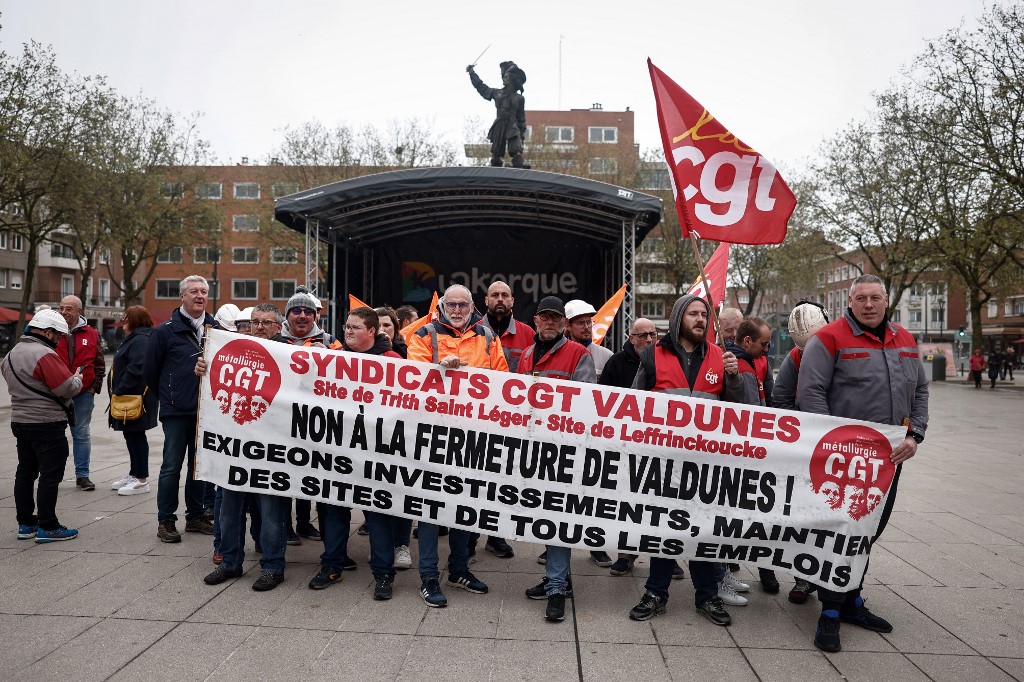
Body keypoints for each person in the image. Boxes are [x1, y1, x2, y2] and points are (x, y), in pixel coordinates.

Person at [798, 274, 929, 653]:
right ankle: (831, 611)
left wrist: (914, 434)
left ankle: (851, 598)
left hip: (889, 458)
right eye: (861, 299)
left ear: (885, 301)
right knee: (841, 530)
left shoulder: (905, 339)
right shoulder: (829, 339)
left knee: (871, 530)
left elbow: (920, 389)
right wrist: (828, 445)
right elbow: (811, 393)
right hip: (843, 460)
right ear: (849, 303)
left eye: (875, 298)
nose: (868, 304)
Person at [627, 293, 742, 627]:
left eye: (704, 315)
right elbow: (632, 406)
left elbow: (742, 411)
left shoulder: (721, 357)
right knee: (664, 531)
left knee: (704, 533)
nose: (700, 320)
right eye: (693, 314)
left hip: (706, 465)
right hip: (664, 464)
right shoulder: (652, 356)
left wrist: (734, 378)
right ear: (679, 318)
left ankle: (707, 596)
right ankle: (655, 593)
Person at [407, 284, 507, 607]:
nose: (458, 309)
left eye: (464, 304)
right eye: (452, 304)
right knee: (430, 509)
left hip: (474, 435)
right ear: (443, 307)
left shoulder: (489, 337)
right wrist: (437, 371)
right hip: (433, 435)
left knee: (467, 506)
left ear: (473, 306)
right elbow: (410, 379)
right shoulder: (424, 335)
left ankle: (459, 569)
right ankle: (428, 577)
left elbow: (504, 382)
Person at [317, 307, 407, 597]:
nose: (348, 331)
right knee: (334, 510)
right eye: (346, 326)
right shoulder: (335, 357)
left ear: (372, 332)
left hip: (376, 455)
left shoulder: (392, 360)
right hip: (339, 450)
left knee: (378, 514)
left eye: (355, 327)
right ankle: (331, 564)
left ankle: (383, 574)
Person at [200, 304, 290, 592]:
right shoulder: (235, 350)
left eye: (267, 322)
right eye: (255, 322)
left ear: (279, 327)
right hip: (235, 446)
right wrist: (203, 367)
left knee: (271, 511)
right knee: (229, 508)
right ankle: (229, 562)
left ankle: (273, 567)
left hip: (272, 449)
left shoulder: (292, 355)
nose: (260, 326)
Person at [518, 296, 596, 622]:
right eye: (544, 317)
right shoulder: (524, 355)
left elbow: (587, 403)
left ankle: (557, 589)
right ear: (536, 320)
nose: (549, 322)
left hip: (564, 452)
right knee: (543, 518)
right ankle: (555, 577)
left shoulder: (580, 354)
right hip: (535, 450)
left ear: (564, 322)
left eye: (555, 317)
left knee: (557, 520)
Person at [143, 275, 217, 543]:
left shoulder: (216, 328)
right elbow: (150, 372)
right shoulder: (165, 331)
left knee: (199, 467)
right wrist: (171, 392)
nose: (200, 296)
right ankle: (166, 520)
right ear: (182, 297)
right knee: (172, 466)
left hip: (207, 411)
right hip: (176, 410)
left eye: (204, 292)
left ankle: (196, 517)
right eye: (194, 291)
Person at [2, 310, 83, 543]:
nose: (58, 341)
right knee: (50, 474)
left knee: (25, 473)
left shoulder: (11, 354)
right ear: (47, 332)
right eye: (58, 336)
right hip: (46, 422)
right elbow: (66, 388)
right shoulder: (44, 354)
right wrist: (76, 378)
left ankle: (26, 523)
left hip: (20, 421)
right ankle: (48, 526)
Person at [771, 301, 830, 605]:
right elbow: (780, 400)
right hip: (807, 450)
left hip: (839, 448)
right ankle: (804, 578)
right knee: (804, 517)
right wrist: (805, 427)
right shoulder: (795, 358)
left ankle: (839, 580)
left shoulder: (844, 351)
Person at [722, 316, 778, 600]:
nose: (767, 350)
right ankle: (721, 574)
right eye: (764, 344)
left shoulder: (760, 362)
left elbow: (769, 399)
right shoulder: (729, 363)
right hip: (735, 454)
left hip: (756, 452)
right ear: (747, 341)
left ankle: (760, 568)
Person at [600, 318, 659, 577]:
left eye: (652, 334)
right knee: (628, 505)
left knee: (657, 505)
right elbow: (603, 402)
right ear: (631, 338)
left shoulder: (664, 361)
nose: (648, 339)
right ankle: (625, 555)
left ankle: (664, 556)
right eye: (642, 335)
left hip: (657, 445)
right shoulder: (615, 363)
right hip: (625, 446)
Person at [281, 287, 337, 543]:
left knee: (311, 474)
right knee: (283, 476)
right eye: (296, 311)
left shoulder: (330, 342)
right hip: (281, 421)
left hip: (317, 422)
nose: (302, 316)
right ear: (288, 315)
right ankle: (285, 526)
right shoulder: (274, 343)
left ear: (315, 317)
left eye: (307, 311)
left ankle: (305, 523)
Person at [54, 295, 105, 491]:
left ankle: (82, 476)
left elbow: (99, 362)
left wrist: (94, 388)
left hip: (84, 393)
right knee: (54, 434)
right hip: (55, 392)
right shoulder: (51, 330)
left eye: (69, 309)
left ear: (79, 311)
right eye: (61, 308)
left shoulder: (91, 333)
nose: (64, 312)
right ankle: (53, 474)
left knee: (81, 433)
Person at [107, 306, 158, 496]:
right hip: (131, 397)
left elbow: (137, 368)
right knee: (131, 436)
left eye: (126, 318)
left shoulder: (140, 340)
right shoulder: (138, 338)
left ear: (135, 320)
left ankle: (141, 479)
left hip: (135, 398)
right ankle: (134, 473)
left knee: (136, 437)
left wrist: (120, 390)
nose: (123, 321)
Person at [466, 60, 528, 168]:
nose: (504, 78)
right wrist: (472, 74)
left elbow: (521, 118)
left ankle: (518, 164)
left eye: (506, 76)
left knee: (516, 147)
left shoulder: (519, 98)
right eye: (503, 76)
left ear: (512, 79)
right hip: (499, 123)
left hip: (512, 124)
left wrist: (522, 132)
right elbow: (481, 87)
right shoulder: (497, 93)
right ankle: (496, 164)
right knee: (496, 151)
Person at [479, 280, 535, 373]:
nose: (500, 299)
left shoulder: (528, 333)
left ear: (512, 301)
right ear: (486, 301)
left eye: (505, 295)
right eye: (495, 295)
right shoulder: (472, 331)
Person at [564, 299, 614, 385]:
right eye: (580, 323)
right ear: (568, 325)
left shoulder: (607, 356)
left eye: (588, 322)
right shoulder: (558, 354)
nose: (586, 327)